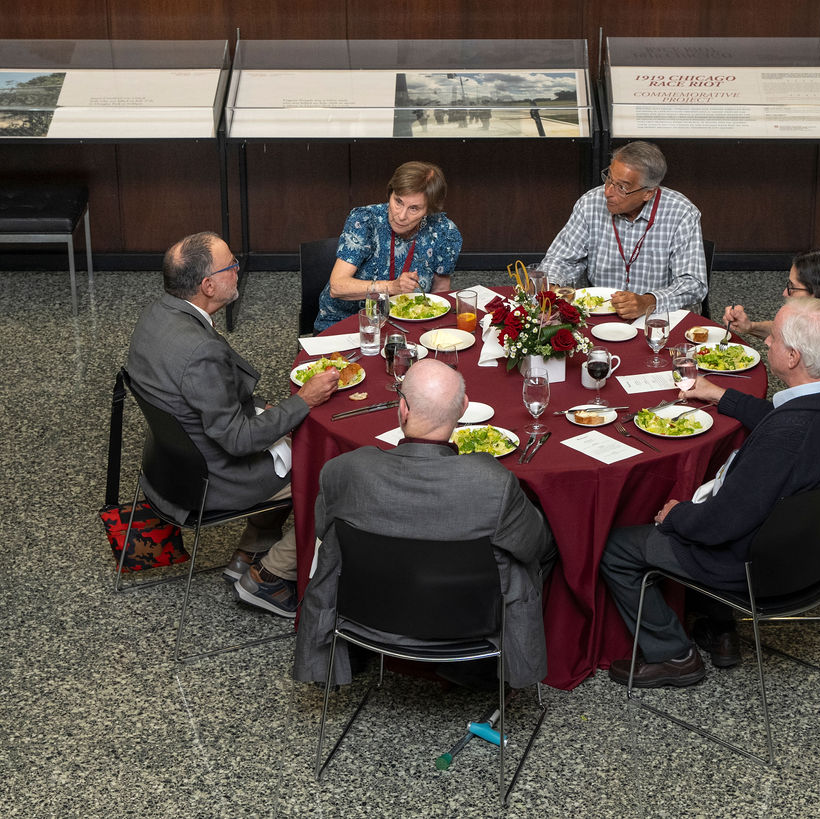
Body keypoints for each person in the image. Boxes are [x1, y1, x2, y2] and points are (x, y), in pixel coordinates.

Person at [600, 298, 820, 688]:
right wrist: (719, 395)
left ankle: (673, 656)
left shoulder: (784, 438)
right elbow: (782, 422)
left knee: (617, 549)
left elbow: (721, 523)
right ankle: (717, 629)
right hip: (818, 551)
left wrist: (675, 514)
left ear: (793, 357)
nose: (767, 344)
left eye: (774, 339)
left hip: (754, 567)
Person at [293, 359, 555, 690]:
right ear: (463, 408)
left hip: (367, 612)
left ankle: (358, 651)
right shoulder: (493, 483)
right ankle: (483, 669)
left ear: (402, 409)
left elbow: (322, 531)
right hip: (471, 622)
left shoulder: (343, 470)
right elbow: (536, 545)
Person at [127, 231, 340, 617]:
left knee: (287, 434)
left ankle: (251, 549)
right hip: (212, 479)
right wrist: (302, 401)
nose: (238, 271)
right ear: (208, 285)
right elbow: (239, 441)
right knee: (332, 478)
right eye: (232, 265)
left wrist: (268, 411)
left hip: (167, 467)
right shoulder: (200, 351)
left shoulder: (157, 314)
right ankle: (271, 578)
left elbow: (203, 400)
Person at [539, 140, 707, 320]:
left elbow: (693, 284)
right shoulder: (590, 203)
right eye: (609, 179)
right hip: (601, 313)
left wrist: (648, 301)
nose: (608, 192)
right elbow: (560, 259)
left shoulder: (681, 213)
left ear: (648, 193)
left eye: (622, 187)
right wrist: (552, 284)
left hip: (657, 317)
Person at [723, 248, 820, 416]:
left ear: (817, 293)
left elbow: (789, 420)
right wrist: (751, 327)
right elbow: (796, 332)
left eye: (792, 287)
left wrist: (722, 396)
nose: (785, 293)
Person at [314, 161, 463, 332]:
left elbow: (439, 293)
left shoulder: (444, 231)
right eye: (398, 201)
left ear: (429, 210)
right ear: (390, 193)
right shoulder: (365, 221)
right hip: (348, 322)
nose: (401, 215)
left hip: (406, 325)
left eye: (414, 208)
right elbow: (337, 287)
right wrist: (391, 287)